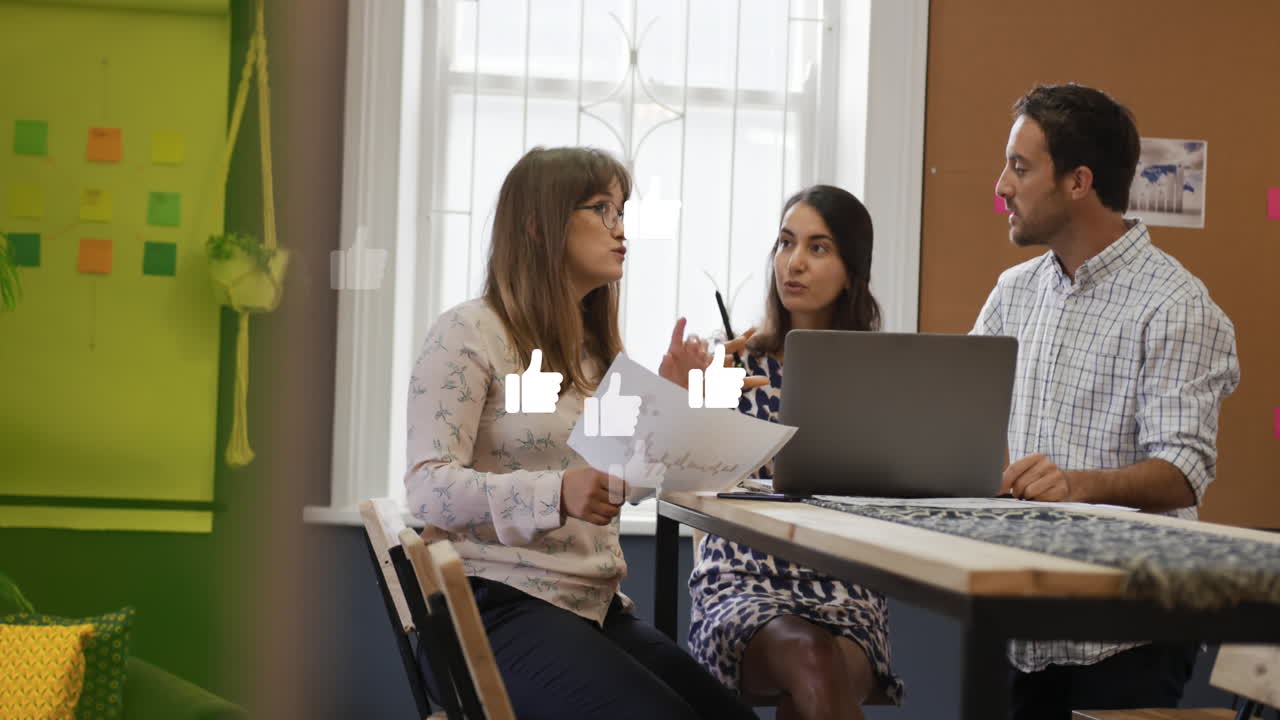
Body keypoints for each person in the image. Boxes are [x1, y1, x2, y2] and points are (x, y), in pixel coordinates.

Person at [405, 146, 756, 720]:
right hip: (489, 607)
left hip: (589, 607)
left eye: (622, 212)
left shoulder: (593, 356)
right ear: (539, 225)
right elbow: (426, 488)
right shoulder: (467, 333)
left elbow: (620, 484)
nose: (622, 230)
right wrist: (556, 492)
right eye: (602, 210)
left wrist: (677, 397)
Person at [973, 83, 1240, 719]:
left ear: (1078, 182)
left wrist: (1077, 485)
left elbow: (1183, 473)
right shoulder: (1014, 292)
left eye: (1019, 166)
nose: (1001, 186)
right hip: (1030, 618)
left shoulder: (1176, 306)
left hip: (1133, 626)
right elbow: (958, 416)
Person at [660, 185, 904, 720]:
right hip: (741, 579)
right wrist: (689, 400)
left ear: (851, 269)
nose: (793, 263)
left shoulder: (878, 373)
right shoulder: (729, 364)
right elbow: (675, 481)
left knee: (815, 683)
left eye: (818, 248)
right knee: (812, 660)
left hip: (844, 586)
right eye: (785, 243)